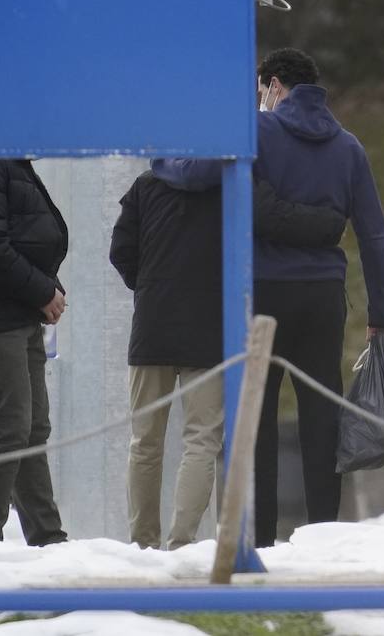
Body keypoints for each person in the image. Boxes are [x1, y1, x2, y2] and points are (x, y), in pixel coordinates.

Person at [154, 47, 384, 546]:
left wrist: (160, 160)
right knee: (321, 413)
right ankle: (324, 531)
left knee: (256, 414)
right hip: (323, 295)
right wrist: (380, 312)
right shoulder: (348, 147)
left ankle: (257, 535)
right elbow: (373, 234)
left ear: (274, 85)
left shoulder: (257, 133)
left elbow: (196, 174)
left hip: (262, 291)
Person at [109, 172, 347, 550]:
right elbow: (262, 230)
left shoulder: (147, 183)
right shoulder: (231, 182)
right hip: (209, 328)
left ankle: (142, 542)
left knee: (145, 441)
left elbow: (120, 250)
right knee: (201, 441)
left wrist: (150, 286)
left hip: (152, 326)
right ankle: (182, 542)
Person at [0, 159, 69, 546]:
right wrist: (42, 291)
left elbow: (29, 238)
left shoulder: (11, 163)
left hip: (22, 312)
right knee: (11, 428)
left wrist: (46, 289)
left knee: (34, 428)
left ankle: (47, 535)